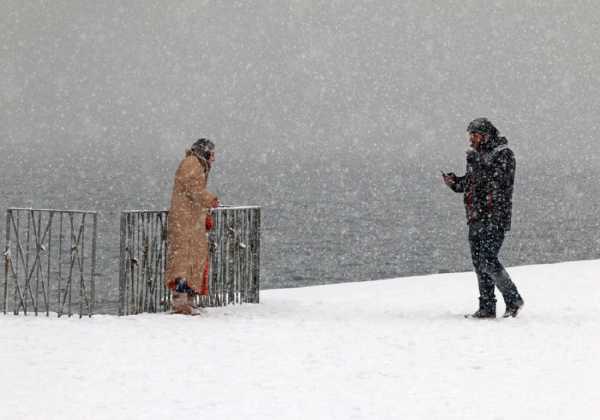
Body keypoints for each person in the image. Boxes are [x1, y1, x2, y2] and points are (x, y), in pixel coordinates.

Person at [443, 118, 524, 318]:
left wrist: (477, 164)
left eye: (475, 135)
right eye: (470, 135)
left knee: (487, 259)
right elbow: (470, 184)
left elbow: (498, 182)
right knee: (479, 262)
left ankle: (513, 300)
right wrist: (455, 183)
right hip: (475, 217)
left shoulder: (504, 154)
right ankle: (487, 307)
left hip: (495, 216)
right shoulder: (475, 156)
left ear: (486, 135)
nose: (471, 139)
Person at [165, 138, 219, 315]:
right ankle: (180, 303)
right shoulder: (192, 163)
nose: (214, 158)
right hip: (185, 221)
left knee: (191, 260)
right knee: (184, 261)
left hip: (190, 221)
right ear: (204, 152)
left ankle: (187, 300)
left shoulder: (195, 163)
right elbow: (193, 188)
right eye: (212, 153)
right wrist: (210, 199)